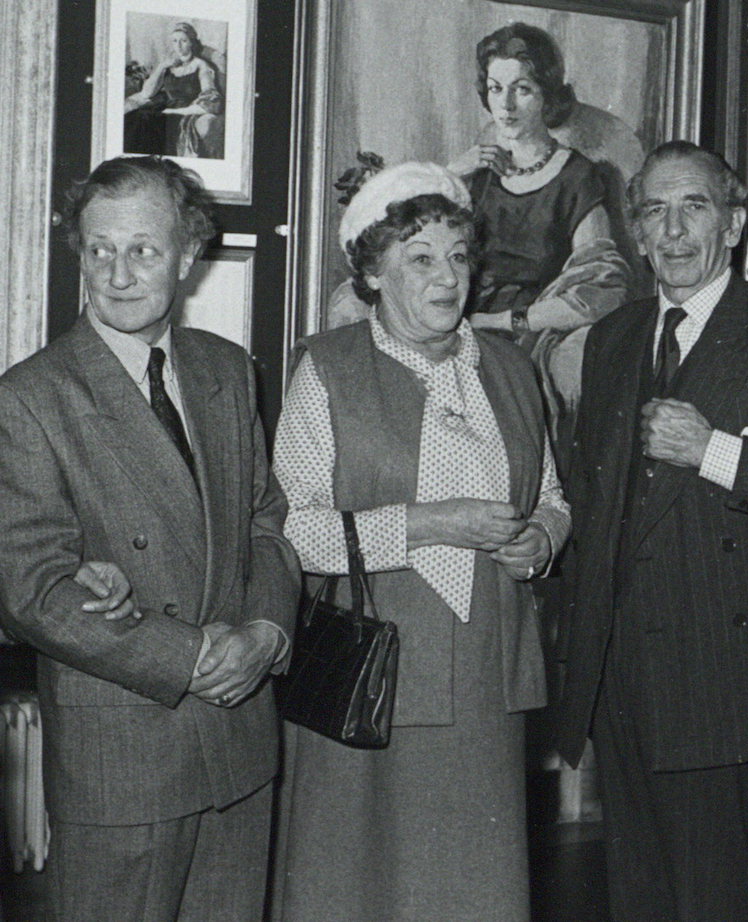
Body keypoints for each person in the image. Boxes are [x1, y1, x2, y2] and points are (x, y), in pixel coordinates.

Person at [0, 156, 299, 921]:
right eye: (100, 249)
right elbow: (31, 589)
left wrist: (266, 632)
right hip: (123, 762)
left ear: (188, 254)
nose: (118, 274)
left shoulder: (227, 371)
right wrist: (188, 657)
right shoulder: (31, 398)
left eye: (143, 249)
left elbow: (266, 520)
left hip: (238, 743)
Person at [554, 140, 748, 921]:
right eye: (655, 211)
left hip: (719, 675)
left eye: (696, 207)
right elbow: (593, 497)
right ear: (636, 233)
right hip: (618, 671)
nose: (675, 231)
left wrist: (713, 450)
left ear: (736, 223)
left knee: (713, 899)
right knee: (637, 900)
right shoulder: (613, 338)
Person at [270, 162, 571, 922]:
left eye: (459, 257)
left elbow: (552, 497)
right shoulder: (327, 367)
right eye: (421, 258)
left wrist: (540, 540)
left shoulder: (510, 369)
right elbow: (292, 530)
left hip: (486, 675)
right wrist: (432, 523)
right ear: (373, 273)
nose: (448, 277)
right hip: (368, 673)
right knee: (358, 888)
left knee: (471, 889)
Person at [448, 22, 629, 458]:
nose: (505, 105)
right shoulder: (474, 173)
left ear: (548, 94)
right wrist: (452, 174)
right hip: (463, 321)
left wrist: (498, 322)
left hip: (535, 331)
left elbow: (602, 289)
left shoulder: (577, 177)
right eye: (496, 89)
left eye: (522, 89)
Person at [125, 21, 224, 159]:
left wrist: (173, 111)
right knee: (136, 117)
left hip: (184, 111)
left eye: (183, 41)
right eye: (175, 41)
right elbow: (147, 93)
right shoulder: (168, 64)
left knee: (151, 120)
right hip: (165, 106)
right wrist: (162, 66)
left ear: (192, 43)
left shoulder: (201, 65)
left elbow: (210, 100)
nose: (178, 46)